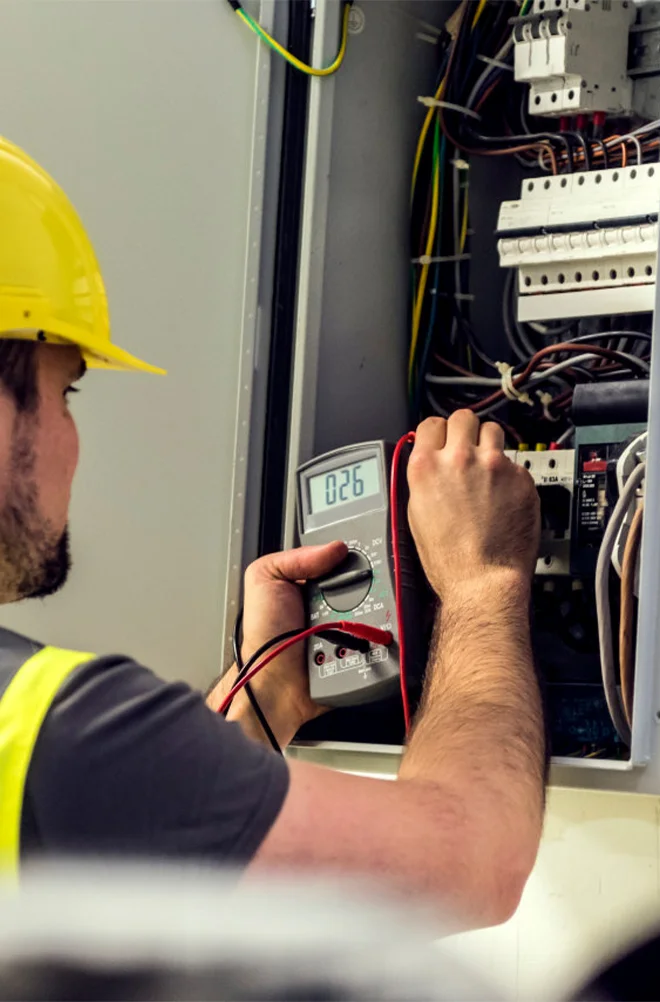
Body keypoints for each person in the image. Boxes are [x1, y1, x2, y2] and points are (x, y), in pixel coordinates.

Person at [0, 137, 545, 928]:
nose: (73, 440)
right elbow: (476, 866)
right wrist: (481, 581)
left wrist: (266, 698)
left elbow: (164, 872)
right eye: (65, 396)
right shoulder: (51, 728)